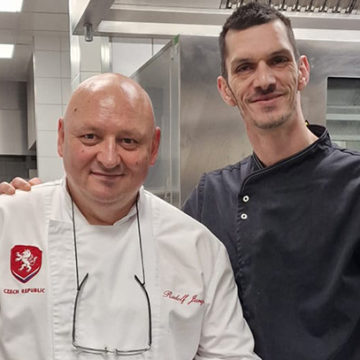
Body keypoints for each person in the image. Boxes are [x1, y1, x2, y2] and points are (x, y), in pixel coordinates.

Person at [0, 73, 260, 359]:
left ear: (154, 147)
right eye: (90, 137)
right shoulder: (9, 222)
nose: (109, 158)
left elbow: (231, 355)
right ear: (61, 138)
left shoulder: (198, 249)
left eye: (128, 141)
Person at [183, 3, 360, 360]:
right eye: (245, 67)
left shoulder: (355, 185)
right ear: (226, 89)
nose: (264, 80)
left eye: (278, 60)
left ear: (302, 70)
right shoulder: (211, 196)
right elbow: (139, 246)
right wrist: (46, 203)